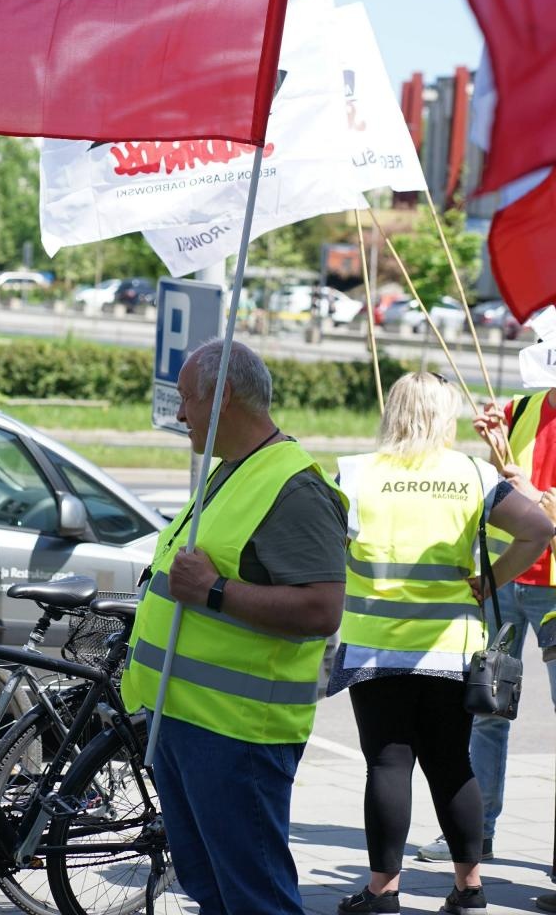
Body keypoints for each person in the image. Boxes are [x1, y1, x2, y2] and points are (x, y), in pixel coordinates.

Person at [121, 338, 348, 915]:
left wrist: (216, 592)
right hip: (189, 723)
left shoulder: (292, 486)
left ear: (223, 400)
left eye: (186, 398)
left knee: (255, 898)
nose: (178, 413)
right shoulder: (229, 471)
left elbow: (322, 610)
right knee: (211, 890)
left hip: (238, 736)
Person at [330, 372, 552, 915]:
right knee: (453, 764)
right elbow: (540, 530)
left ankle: (383, 893)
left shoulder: (355, 474)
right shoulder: (473, 474)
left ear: (393, 411)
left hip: (375, 647)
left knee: (386, 767)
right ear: (443, 415)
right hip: (451, 647)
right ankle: (470, 888)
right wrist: (494, 578)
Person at [418, 385, 556, 863]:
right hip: (507, 577)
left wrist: (537, 495)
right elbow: (507, 491)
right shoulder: (522, 408)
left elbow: (533, 499)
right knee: (487, 709)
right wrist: (494, 445)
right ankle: (476, 834)